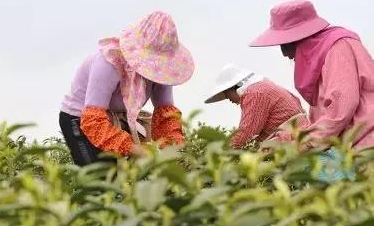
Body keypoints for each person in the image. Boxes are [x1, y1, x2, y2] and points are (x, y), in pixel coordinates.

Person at [249, 0, 374, 180]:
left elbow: (340, 111)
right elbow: (324, 118)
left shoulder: (337, 48)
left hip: (364, 150)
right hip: (350, 148)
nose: (285, 53)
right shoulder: (324, 54)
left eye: (286, 44)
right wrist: (285, 140)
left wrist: (299, 145)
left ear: (301, 38)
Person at [59, 11, 193, 166]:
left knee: (129, 176)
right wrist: (138, 150)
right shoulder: (109, 62)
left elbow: (166, 116)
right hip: (81, 118)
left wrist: (173, 152)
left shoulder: (161, 73)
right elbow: (93, 120)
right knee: (100, 177)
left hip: (116, 117)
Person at [204, 63, 308, 149]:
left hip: (295, 144)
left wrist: (224, 153)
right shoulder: (263, 87)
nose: (228, 99)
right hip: (301, 139)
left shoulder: (254, 94)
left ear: (236, 87)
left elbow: (246, 134)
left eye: (227, 94)